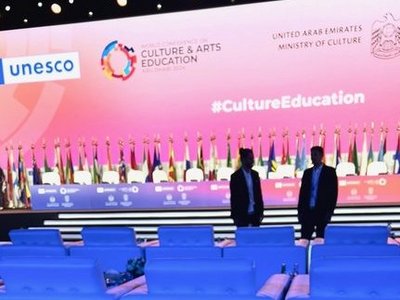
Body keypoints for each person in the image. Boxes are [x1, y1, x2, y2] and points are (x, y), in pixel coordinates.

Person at [297, 146, 338, 243]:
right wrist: (300, 212)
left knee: (321, 238)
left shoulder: (330, 172)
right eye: (311, 155)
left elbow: (333, 194)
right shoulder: (307, 173)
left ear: (321, 156)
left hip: (322, 211)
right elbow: (302, 194)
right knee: (305, 238)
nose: (313, 157)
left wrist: (329, 211)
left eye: (315, 155)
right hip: (308, 211)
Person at [229, 148, 264, 227]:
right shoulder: (235, 177)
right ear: (243, 160)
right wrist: (235, 217)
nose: (252, 161)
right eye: (250, 158)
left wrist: (261, 212)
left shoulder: (255, 175)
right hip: (242, 214)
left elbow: (259, 195)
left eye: (252, 158)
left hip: (255, 214)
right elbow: (234, 198)